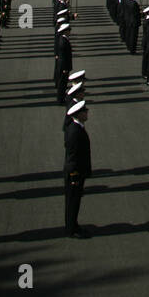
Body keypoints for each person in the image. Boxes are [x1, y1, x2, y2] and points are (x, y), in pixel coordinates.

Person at [64, 100, 92, 238]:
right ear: (78, 114)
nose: (87, 112)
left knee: (75, 201)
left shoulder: (77, 127)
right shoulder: (75, 132)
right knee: (72, 202)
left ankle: (73, 225)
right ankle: (71, 229)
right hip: (75, 173)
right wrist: (74, 175)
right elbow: (72, 157)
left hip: (78, 171)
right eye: (84, 111)